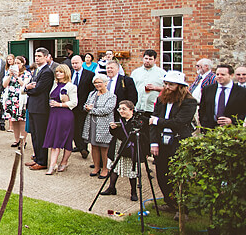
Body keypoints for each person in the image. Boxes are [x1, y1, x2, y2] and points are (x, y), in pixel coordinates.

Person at [149, 71, 198, 211]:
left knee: (178, 175)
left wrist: (158, 121)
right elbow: (152, 123)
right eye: (166, 84)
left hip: (179, 142)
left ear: (180, 86)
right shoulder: (161, 99)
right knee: (161, 173)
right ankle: (170, 202)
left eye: (171, 84)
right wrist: (153, 143)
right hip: (161, 141)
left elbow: (179, 122)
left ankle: (182, 208)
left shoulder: (189, 102)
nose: (167, 87)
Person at [104, 100, 148, 201]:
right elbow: (115, 134)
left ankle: (133, 192)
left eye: (124, 109)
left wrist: (145, 152)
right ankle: (111, 187)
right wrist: (113, 129)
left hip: (130, 148)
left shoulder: (137, 122)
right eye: (120, 109)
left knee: (131, 170)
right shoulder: (119, 120)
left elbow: (143, 138)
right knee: (114, 167)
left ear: (131, 110)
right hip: (117, 146)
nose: (121, 111)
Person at [43, 64, 78, 174]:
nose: (58, 74)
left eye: (61, 72)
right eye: (57, 71)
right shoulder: (54, 84)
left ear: (66, 73)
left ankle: (64, 162)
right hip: (54, 115)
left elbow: (74, 102)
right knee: (54, 139)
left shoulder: (71, 86)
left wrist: (60, 104)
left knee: (66, 139)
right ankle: (53, 164)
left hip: (65, 115)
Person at [24, 48, 54, 170]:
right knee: (34, 134)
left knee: (41, 135)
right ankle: (37, 158)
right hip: (32, 106)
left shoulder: (47, 72)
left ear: (46, 57)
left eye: (40, 56)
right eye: (36, 56)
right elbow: (29, 87)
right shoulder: (37, 70)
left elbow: (38, 89)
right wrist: (27, 88)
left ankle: (42, 161)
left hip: (41, 108)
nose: (37, 58)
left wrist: (29, 89)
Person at [83, 74, 117, 179]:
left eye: (99, 82)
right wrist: (86, 107)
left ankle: (105, 169)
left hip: (104, 125)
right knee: (94, 145)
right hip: (92, 123)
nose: (97, 85)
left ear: (106, 83)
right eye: (95, 83)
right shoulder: (92, 94)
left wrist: (91, 110)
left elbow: (107, 110)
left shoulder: (111, 96)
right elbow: (86, 105)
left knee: (104, 147)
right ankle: (96, 167)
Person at [198, 64, 246, 128]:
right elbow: (203, 108)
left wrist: (232, 121)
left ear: (231, 75)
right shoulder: (208, 89)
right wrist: (204, 123)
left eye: (223, 74)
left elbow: (243, 111)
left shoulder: (241, 91)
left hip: (232, 130)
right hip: (210, 129)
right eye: (217, 74)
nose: (219, 76)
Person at [69, 55, 95, 159]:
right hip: (70, 106)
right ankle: (79, 145)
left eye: (76, 63)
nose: (75, 65)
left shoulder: (89, 74)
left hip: (82, 106)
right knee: (73, 127)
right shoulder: (69, 74)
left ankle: (83, 148)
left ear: (82, 62)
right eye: (73, 63)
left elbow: (92, 91)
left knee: (81, 127)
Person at [3, 56, 30, 149]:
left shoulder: (26, 73)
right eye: (15, 63)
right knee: (13, 120)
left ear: (23, 64)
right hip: (11, 98)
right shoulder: (9, 73)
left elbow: (24, 85)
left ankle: (23, 140)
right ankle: (16, 139)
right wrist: (10, 75)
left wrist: (17, 76)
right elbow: (4, 85)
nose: (17, 65)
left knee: (22, 120)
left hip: (21, 99)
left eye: (18, 63)